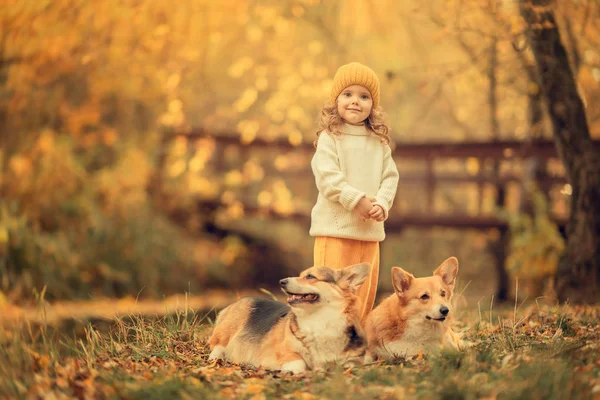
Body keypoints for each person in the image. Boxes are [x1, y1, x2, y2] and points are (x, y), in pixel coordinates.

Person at [310, 62, 399, 321]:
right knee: (331, 292)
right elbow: (328, 178)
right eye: (347, 94)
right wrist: (357, 200)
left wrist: (381, 203)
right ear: (336, 100)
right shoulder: (330, 138)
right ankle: (327, 344)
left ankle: (356, 342)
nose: (355, 102)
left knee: (363, 292)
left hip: (369, 233)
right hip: (334, 231)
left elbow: (390, 177)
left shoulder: (379, 142)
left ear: (373, 105)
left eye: (364, 96)